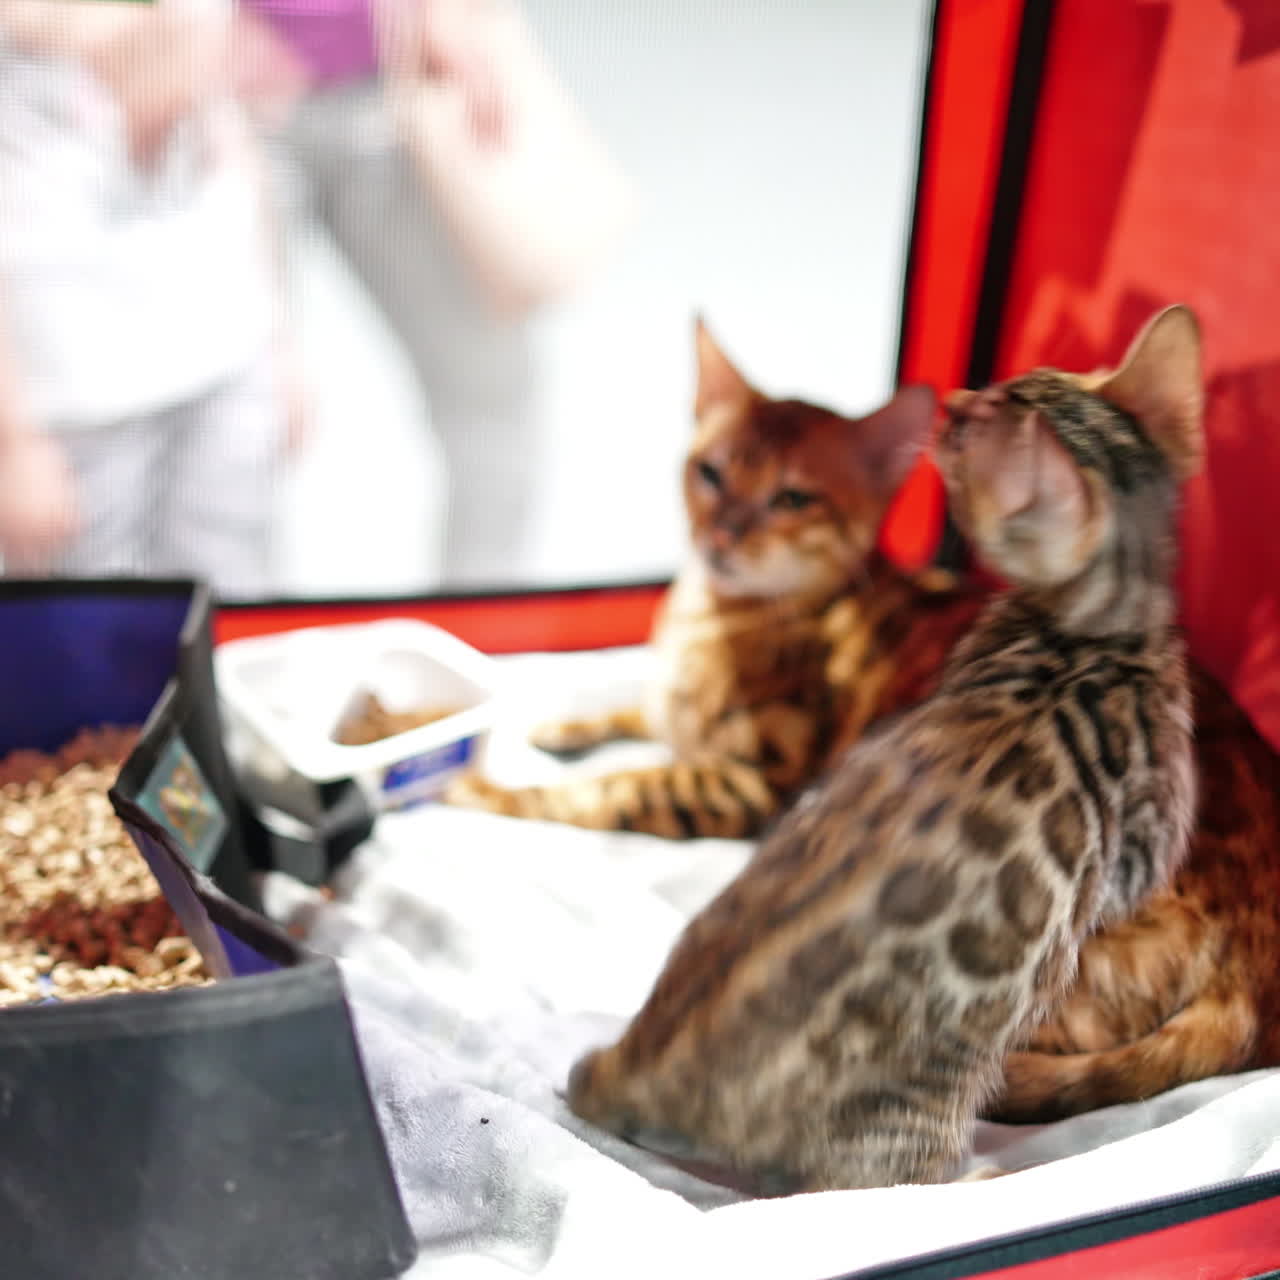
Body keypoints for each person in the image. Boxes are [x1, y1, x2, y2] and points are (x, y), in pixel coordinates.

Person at [233, 0, 631, 587]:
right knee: (235, 426)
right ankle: (239, 646)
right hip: (208, 100)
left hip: (399, 79)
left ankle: (476, 636)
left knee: (491, 400)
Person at [0, 0, 295, 597]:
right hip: (72, 396)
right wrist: (13, 443)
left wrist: (279, 338)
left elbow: (233, 147)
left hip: (224, 360)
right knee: (92, 642)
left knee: (232, 606)